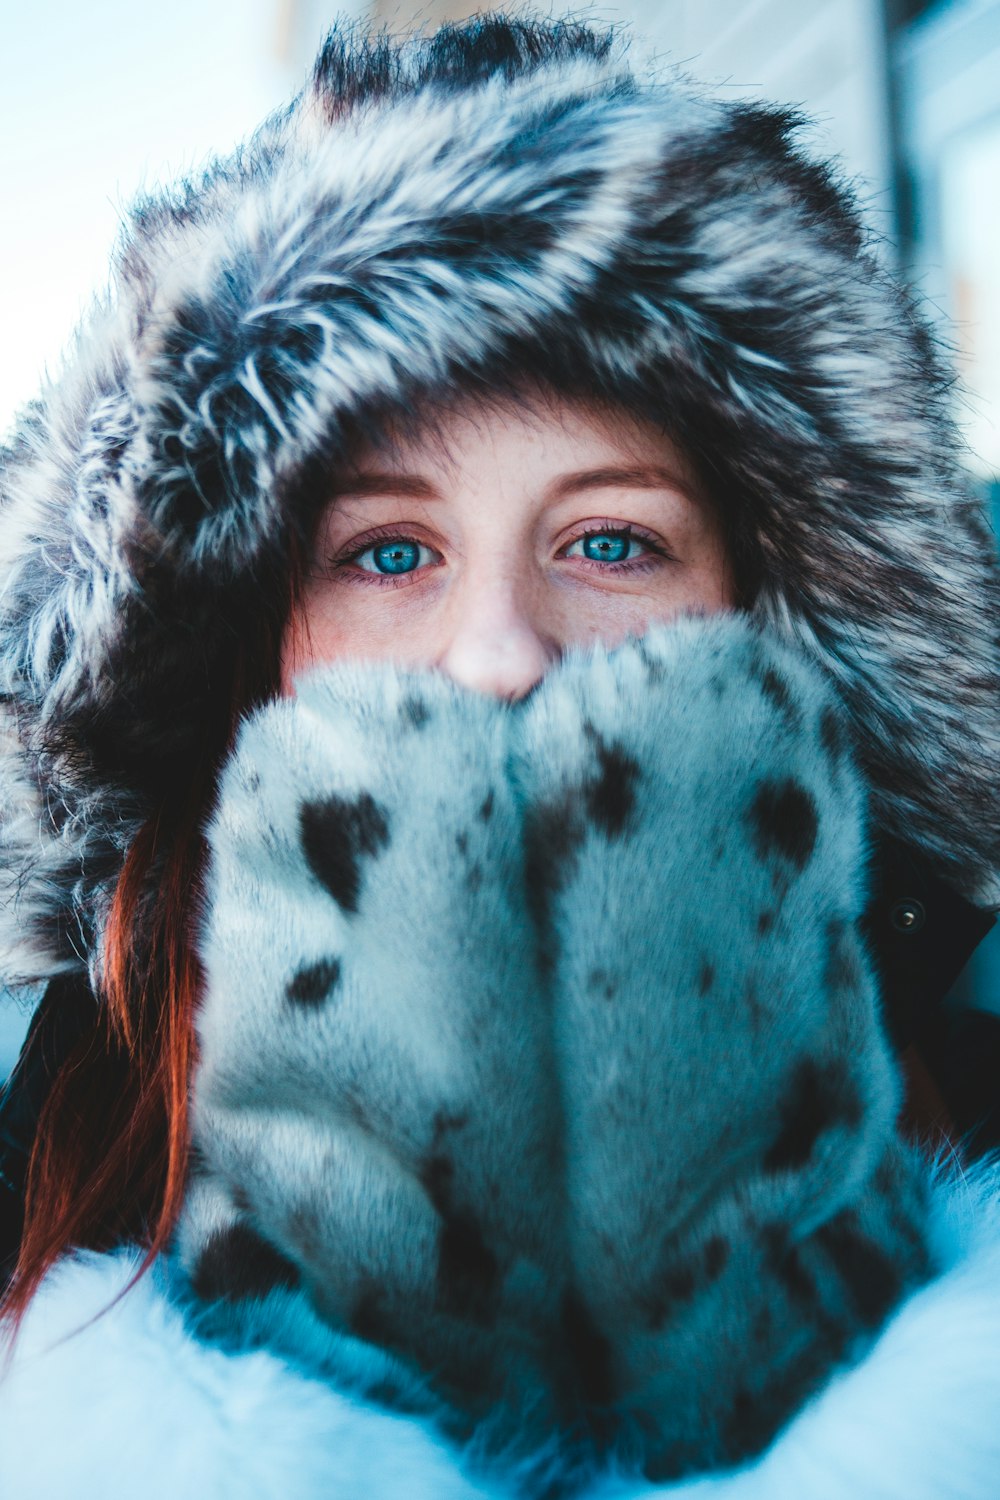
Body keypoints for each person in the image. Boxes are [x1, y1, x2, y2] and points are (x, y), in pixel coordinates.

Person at [0, 13, 998, 1498]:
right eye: (389, 551)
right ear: (245, 641)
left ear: (769, 607)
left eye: (612, 541)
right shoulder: (42, 1130)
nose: (497, 651)